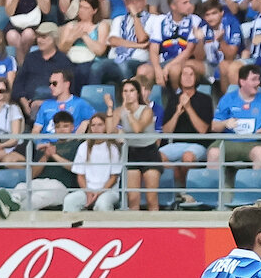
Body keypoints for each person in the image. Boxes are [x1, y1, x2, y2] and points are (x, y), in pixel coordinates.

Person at [0, 110, 79, 217]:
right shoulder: (47, 146)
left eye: (65, 126)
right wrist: (46, 156)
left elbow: (76, 168)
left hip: (62, 186)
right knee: (22, 186)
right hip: (42, 181)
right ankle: (12, 202)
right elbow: (33, 174)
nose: (62, 130)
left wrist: (54, 155)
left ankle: (10, 211)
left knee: (36, 198)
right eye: (58, 127)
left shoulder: (77, 145)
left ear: (72, 127)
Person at [207, 65, 261, 172]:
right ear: (242, 82)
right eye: (254, 79)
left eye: (258, 79)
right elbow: (214, 127)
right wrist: (225, 123)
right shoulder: (228, 99)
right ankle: (216, 188)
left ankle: (255, 186)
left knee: (259, 152)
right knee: (213, 153)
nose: (258, 83)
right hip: (228, 142)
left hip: (253, 143)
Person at [107, 79, 161, 210]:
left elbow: (138, 129)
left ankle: (156, 227)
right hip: (132, 152)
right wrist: (110, 108)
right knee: (132, 198)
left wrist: (128, 113)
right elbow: (109, 131)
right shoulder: (119, 111)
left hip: (150, 152)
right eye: (125, 91)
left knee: (151, 197)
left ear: (137, 94)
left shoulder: (146, 110)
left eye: (131, 91)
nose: (128, 94)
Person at [160, 65, 214, 193]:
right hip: (177, 144)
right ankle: (181, 189)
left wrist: (189, 108)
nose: (187, 77)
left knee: (187, 157)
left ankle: (187, 191)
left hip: (197, 144)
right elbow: (166, 131)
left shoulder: (205, 99)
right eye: (184, 74)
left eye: (191, 74)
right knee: (158, 156)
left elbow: (203, 130)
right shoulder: (173, 99)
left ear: (196, 78)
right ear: (179, 78)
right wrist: (177, 113)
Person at [12, 21, 74, 118]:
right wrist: (24, 102)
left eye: (44, 37)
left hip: (54, 108)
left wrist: (42, 104)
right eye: (39, 36)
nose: (40, 40)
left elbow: (69, 90)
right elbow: (18, 83)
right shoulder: (30, 58)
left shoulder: (64, 62)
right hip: (28, 108)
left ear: (54, 39)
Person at [63, 112, 122, 211]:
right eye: (93, 125)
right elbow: (80, 175)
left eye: (100, 125)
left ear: (105, 127)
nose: (96, 128)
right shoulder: (83, 147)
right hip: (87, 190)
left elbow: (114, 177)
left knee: (102, 204)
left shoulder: (113, 148)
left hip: (109, 191)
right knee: (69, 200)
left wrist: (99, 192)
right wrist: (88, 192)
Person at [59, 0, 122, 87]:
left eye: (86, 8)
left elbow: (100, 51)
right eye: (80, 7)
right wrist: (72, 38)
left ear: (94, 10)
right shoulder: (71, 25)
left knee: (82, 70)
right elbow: (61, 49)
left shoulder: (101, 26)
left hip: (91, 61)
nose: (81, 10)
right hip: (72, 59)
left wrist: (84, 36)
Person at [148, 0, 206, 89]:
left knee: (175, 70)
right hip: (164, 60)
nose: (189, 5)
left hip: (186, 61)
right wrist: (157, 69)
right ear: (173, 6)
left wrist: (168, 67)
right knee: (143, 70)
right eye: (185, 3)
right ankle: (151, 102)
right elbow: (153, 48)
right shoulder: (160, 20)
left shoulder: (195, 20)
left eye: (189, 2)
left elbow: (189, 51)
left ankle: (176, 99)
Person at [107, 0, 155, 82]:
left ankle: (129, 93)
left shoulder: (154, 19)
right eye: (129, 0)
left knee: (124, 65)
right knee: (96, 67)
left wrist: (135, 16)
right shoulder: (118, 19)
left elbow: (142, 39)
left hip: (137, 60)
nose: (133, 3)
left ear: (144, 0)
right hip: (115, 59)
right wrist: (139, 46)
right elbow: (113, 41)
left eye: (136, 0)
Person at [196, 0, 240, 89]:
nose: (211, 17)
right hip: (209, 65)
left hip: (231, 63)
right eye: (207, 15)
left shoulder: (231, 23)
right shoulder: (202, 26)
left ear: (221, 13)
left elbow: (231, 56)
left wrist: (221, 41)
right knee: (188, 66)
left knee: (224, 66)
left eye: (214, 13)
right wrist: (199, 40)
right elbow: (199, 58)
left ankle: (227, 100)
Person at [0, 77, 26, 170]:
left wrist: (0, 146)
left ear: (6, 93)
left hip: (10, 147)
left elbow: (15, 138)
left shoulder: (13, 109)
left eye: (1, 91)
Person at [6, 0, 53, 66]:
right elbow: (9, 13)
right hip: (15, 24)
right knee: (11, 35)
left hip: (33, 25)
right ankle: (23, 64)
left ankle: (20, 67)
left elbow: (46, 10)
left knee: (28, 34)